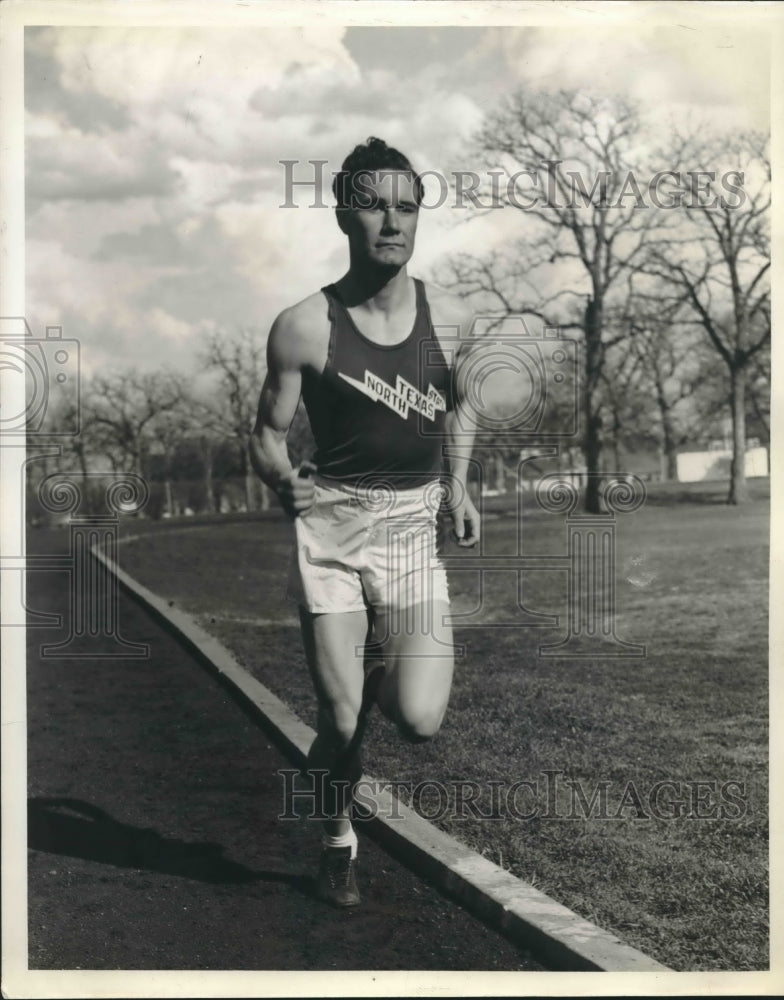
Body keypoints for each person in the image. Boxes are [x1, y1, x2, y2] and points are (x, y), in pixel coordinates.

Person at [250, 136, 480, 907]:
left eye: (406, 207)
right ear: (345, 214)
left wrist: (459, 484)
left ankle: (375, 660)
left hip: (412, 531)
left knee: (416, 719)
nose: (392, 221)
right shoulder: (304, 325)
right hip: (334, 531)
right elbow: (267, 435)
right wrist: (285, 485)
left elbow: (462, 403)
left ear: (420, 218)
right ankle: (336, 841)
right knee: (342, 721)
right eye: (375, 205)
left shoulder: (450, 315)